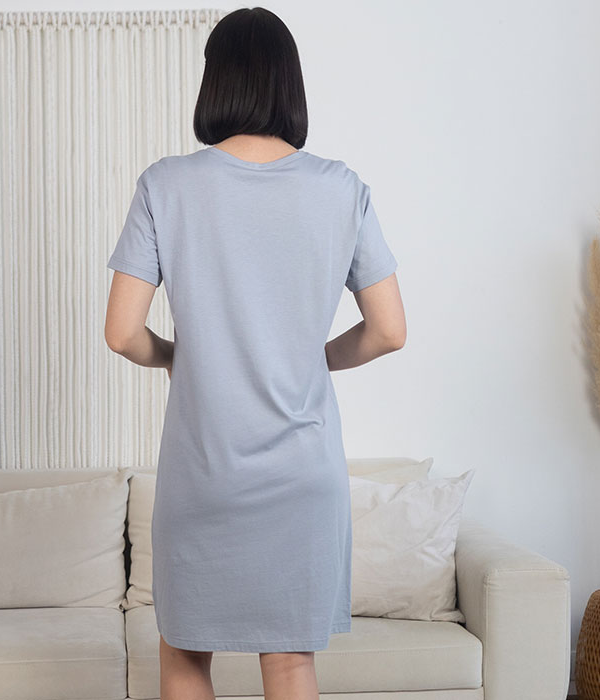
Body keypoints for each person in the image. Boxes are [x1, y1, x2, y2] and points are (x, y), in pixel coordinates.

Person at [104, 6, 406, 700]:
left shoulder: (165, 184)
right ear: (289, 84)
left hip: (203, 473)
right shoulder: (341, 188)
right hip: (303, 476)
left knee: (185, 656)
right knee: (291, 662)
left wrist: (178, 355)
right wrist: (310, 359)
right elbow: (389, 330)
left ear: (215, 81)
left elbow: (121, 333)